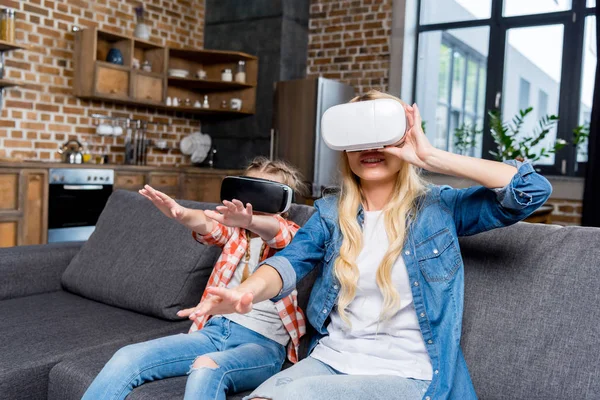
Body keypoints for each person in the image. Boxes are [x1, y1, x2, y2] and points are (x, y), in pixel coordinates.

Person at [190, 91, 553, 400]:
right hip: (331, 359)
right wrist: (247, 292)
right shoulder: (331, 213)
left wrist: (431, 157)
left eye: (382, 136)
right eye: (358, 138)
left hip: (408, 375)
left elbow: (531, 191)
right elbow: (290, 262)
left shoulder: (439, 208)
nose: (370, 147)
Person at [82, 157, 308, 400]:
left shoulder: (294, 235)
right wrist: (180, 213)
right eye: (249, 192)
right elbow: (207, 223)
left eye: (265, 195)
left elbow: (279, 233)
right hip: (212, 332)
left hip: (262, 346)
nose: (252, 205)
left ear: (283, 204)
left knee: (206, 368)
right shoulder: (235, 235)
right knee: (127, 357)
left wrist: (250, 220)